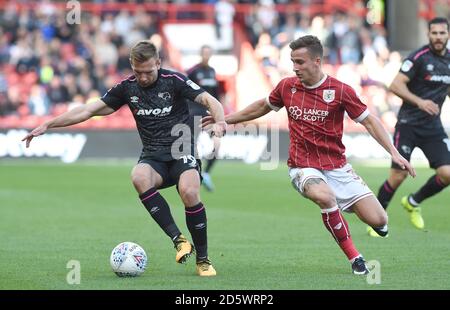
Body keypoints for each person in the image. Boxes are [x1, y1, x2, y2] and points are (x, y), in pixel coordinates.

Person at [202, 35, 415, 275]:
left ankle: (348, 208)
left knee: (379, 220)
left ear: (317, 61)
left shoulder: (340, 90)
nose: (295, 67)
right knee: (325, 197)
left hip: (337, 166)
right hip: (302, 166)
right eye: (293, 62)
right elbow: (261, 107)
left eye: (300, 62)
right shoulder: (287, 87)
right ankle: (356, 259)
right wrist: (224, 119)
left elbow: (370, 122)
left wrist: (394, 152)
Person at [22, 40, 227, 277]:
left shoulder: (175, 81)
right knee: (138, 176)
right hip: (153, 156)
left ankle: (203, 260)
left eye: (148, 71)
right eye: (138, 72)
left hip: (182, 152)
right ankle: (179, 240)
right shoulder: (127, 88)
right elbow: (88, 110)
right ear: (131, 65)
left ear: (158, 63)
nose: (143, 77)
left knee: (190, 192)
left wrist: (220, 121)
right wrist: (48, 124)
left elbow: (210, 101)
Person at [373, 17, 450, 234]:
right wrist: (420, 101)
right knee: (398, 176)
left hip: (432, 127)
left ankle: (413, 202)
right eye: (434, 33)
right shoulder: (418, 57)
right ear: (428, 35)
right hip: (408, 125)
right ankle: (377, 220)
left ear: (447, 35)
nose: (438, 37)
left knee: (447, 174)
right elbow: (395, 85)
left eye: (442, 33)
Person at [187, 45, 222, 192]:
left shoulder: (212, 72)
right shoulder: (193, 72)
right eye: (205, 53)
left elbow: (216, 95)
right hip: (194, 112)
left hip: (208, 113)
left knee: (217, 143)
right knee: (191, 146)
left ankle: (206, 174)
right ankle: (193, 174)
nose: (207, 56)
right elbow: (185, 92)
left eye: (209, 53)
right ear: (201, 54)